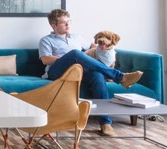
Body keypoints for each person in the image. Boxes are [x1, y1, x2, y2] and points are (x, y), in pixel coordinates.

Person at [38, 8, 143, 137]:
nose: (68, 24)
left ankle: (105, 123)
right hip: (58, 72)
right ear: (54, 25)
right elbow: (45, 59)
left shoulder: (76, 37)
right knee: (75, 54)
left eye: (69, 21)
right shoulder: (46, 40)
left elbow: (95, 47)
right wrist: (70, 58)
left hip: (79, 71)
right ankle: (120, 77)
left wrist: (108, 52)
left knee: (97, 76)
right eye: (64, 22)